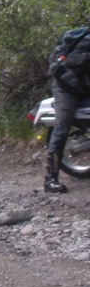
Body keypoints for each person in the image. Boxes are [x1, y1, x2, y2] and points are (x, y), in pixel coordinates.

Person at [46, 24, 90, 193]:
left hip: (85, 85)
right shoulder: (82, 38)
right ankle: (51, 179)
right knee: (62, 126)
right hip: (67, 86)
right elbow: (71, 62)